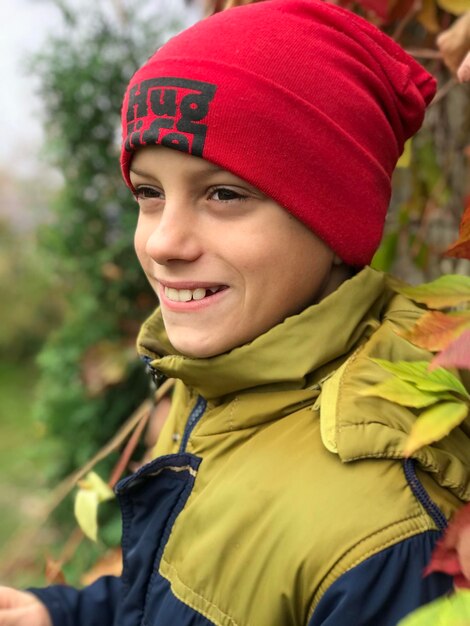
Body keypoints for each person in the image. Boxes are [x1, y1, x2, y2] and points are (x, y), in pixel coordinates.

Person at [1, 1, 470, 624]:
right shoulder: (221, 377)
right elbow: (200, 587)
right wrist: (63, 613)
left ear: (335, 220)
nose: (164, 242)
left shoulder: (382, 528)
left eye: (223, 193)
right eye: (149, 193)